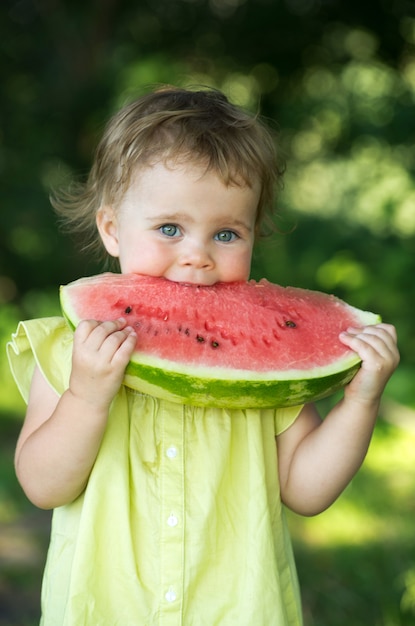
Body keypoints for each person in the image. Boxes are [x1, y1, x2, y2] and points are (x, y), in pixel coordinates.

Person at [7, 86, 399, 626]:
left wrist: (360, 401)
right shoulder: (66, 348)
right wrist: (86, 396)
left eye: (226, 233)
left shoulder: (266, 378)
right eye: (170, 228)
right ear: (112, 229)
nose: (197, 256)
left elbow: (306, 492)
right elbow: (43, 485)